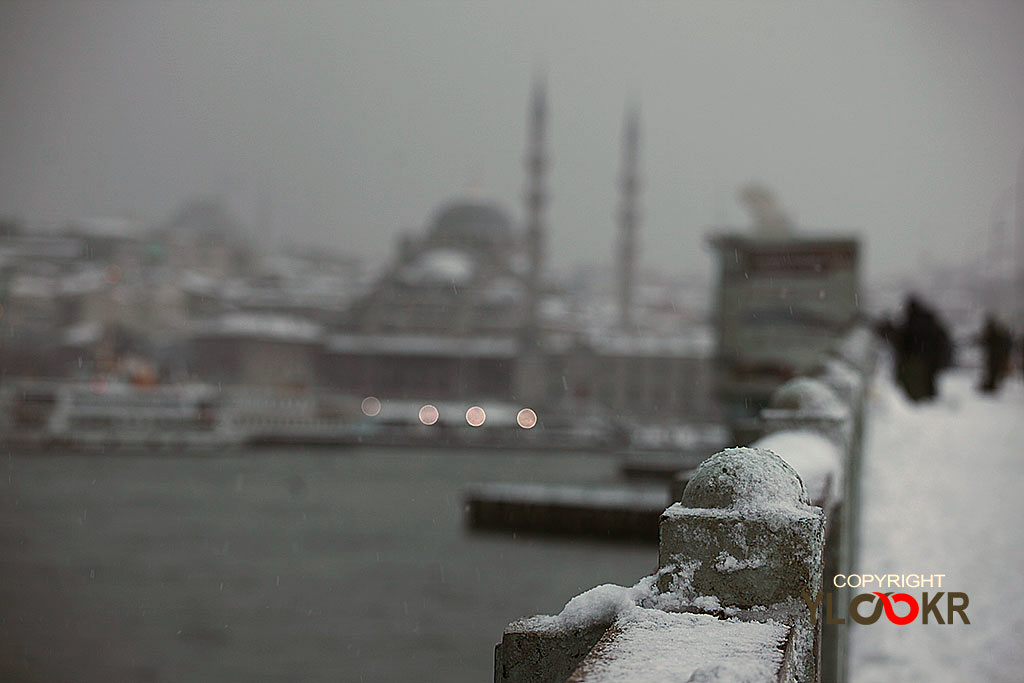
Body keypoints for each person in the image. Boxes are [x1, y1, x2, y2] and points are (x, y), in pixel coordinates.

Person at [891, 296, 953, 402]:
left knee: (917, 382)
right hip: (929, 357)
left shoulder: (914, 321)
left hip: (918, 358)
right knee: (927, 381)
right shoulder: (928, 320)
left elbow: (904, 338)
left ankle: (921, 400)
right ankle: (928, 399)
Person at [977, 314, 1012, 394]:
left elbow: (987, 341)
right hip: (995, 356)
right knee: (992, 371)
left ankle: (990, 386)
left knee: (992, 371)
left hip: (994, 356)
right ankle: (991, 385)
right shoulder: (997, 333)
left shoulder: (993, 333)